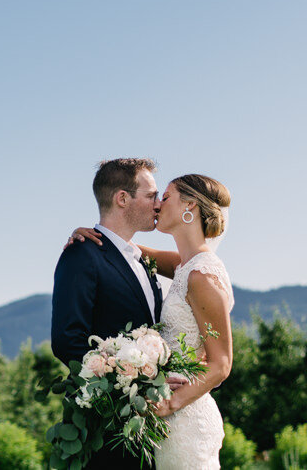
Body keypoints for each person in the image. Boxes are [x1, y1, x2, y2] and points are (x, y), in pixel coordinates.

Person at [68, 173, 234, 470]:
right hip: (165, 417)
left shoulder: (203, 276)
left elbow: (221, 364)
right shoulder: (183, 265)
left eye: (165, 197)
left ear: (190, 206)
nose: (158, 205)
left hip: (184, 415)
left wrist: (170, 403)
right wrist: (92, 238)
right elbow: (126, 252)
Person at [51, 158, 180, 470]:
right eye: (151, 195)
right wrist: (130, 384)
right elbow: (67, 341)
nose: (158, 204)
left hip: (148, 429)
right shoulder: (81, 253)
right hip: (105, 430)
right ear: (122, 198)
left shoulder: (139, 259)